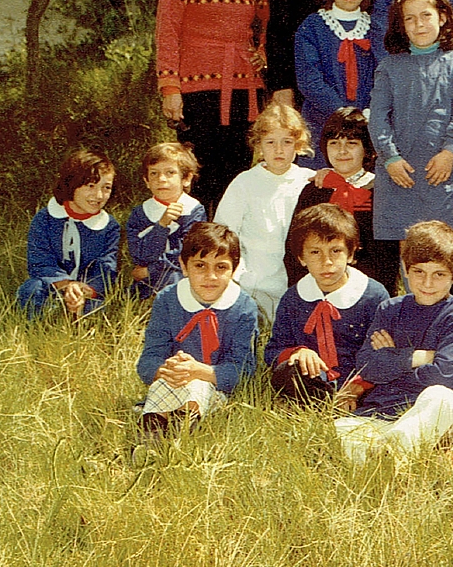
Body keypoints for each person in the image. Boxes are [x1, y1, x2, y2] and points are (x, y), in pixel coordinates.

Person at [156, 0, 269, 216]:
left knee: (236, 176)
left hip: (244, 93)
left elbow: (270, 28)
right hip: (196, 92)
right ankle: (195, 251)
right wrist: (169, 87)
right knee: (196, 176)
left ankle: (227, 253)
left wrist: (262, 53)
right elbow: (167, 32)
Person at [335, 221, 453, 462]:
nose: (427, 284)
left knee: (438, 396)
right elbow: (367, 366)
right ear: (405, 269)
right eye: (419, 272)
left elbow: (441, 377)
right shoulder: (389, 309)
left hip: (443, 406)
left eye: (439, 274)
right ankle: (393, 454)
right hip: (389, 406)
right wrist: (419, 357)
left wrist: (391, 359)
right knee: (339, 429)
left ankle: (394, 454)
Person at [368, 0, 453, 293]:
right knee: (411, 246)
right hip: (401, 170)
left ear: (443, 17)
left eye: (426, 15)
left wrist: (449, 152)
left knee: (442, 243)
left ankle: (445, 314)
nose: (419, 24)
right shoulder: (390, 65)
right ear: (400, 24)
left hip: (443, 168)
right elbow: (378, 116)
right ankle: (414, 311)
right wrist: (389, 157)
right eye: (410, 18)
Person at [135, 223, 258, 438]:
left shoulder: (243, 307)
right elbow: (148, 360)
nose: (210, 276)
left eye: (221, 267)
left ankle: (178, 439)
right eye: (200, 266)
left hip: (215, 385)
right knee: (161, 386)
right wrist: (166, 370)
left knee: (196, 389)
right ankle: (150, 439)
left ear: (234, 269)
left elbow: (244, 370)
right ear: (184, 266)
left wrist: (199, 372)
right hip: (174, 379)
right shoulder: (167, 300)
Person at [267, 204, 388, 404]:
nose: (327, 262)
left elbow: (382, 351)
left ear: (350, 254)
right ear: (301, 258)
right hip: (315, 380)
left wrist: (359, 386)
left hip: (361, 383)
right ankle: (317, 405)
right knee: (289, 371)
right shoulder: (293, 298)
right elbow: (273, 350)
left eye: (336, 251)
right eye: (315, 252)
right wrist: (298, 352)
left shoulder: (373, 296)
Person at [213, 103, 316, 322]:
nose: (279, 150)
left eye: (287, 142)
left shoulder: (309, 180)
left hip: (298, 277)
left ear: (298, 145)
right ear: (259, 145)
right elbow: (223, 232)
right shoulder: (245, 182)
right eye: (270, 142)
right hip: (254, 278)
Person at [293, 0, 378, 166]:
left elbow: (384, 76)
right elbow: (309, 81)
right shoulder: (312, 27)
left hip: (367, 124)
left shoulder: (376, 28)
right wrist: (343, 114)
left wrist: (368, 113)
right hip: (322, 124)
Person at [284, 108, 385, 286]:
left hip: (367, 286)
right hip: (316, 284)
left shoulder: (380, 191)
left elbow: (385, 254)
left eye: (351, 143)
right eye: (334, 143)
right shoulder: (315, 190)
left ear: (367, 149)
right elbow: (294, 245)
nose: (342, 151)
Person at [17, 149, 120, 319]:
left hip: (85, 295)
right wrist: (66, 285)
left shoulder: (109, 226)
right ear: (72, 183)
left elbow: (106, 267)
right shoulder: (45, 218)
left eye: (106, 187)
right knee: (31, 289)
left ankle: (78, 322)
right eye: (91, 186)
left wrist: (84, 292)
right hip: (53, 288)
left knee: (100, 311)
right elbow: (40, 261)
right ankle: (39, 328)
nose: (99, 195)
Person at [127, 142, 205, 300]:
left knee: (175, 285)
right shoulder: (140, 213)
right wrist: (161, 226)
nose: (161, 179)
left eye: (170, 173)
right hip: (148, 279)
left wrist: (151, 270)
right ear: (146, 181)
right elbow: (139, 255)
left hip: (179, 275)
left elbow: (188, 254)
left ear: (186, 178)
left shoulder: (194, 211)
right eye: (154, 173)